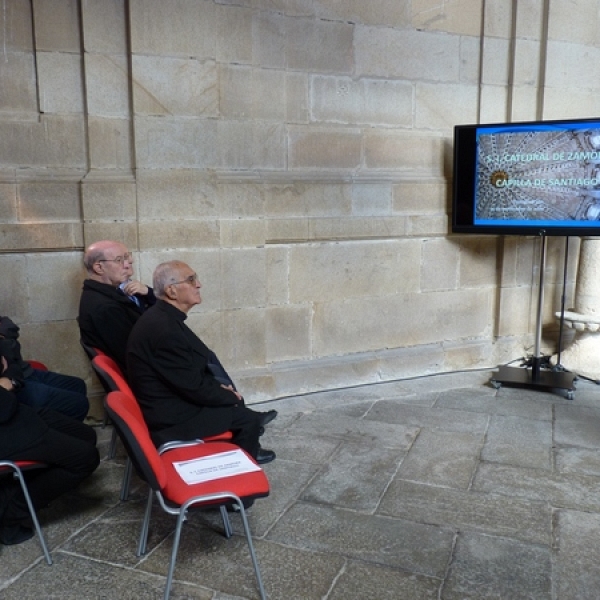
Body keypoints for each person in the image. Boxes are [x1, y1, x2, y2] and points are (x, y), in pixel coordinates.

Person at [126, 261, 276, 464]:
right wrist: (226, 394)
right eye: (191, 280)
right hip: (170, 416)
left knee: (234, 402)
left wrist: (220, 389)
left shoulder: (163, 317)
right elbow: (191, 386)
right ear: (172, 291)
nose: (199, 284)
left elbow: (187, 373)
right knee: (243, 415)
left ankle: (246, 448)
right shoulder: (164, 329)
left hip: (170, 398)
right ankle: (243, 464)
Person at [0, 361, 99, 546]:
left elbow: (9, 357)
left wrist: (8, 379)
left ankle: (20, 488)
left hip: (19, 412)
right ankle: (13, 515)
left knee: (87, 435)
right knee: (86, 457)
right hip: (10, 431)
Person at [78, 240, 155, 374]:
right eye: (119, 260)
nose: (128, 264)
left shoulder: (113, 292)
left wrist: (148, 292)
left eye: (127, 257)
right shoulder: (105, 307)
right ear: (99, 268)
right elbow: (137, 354)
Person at [0, 316, 89, 421]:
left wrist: (4, 339)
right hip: (14, 385)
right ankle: (64, 433)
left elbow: (9, 325)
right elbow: (8, 354)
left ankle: (69, 430)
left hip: (24, 371)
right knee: (79, 403)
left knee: (78, 385)